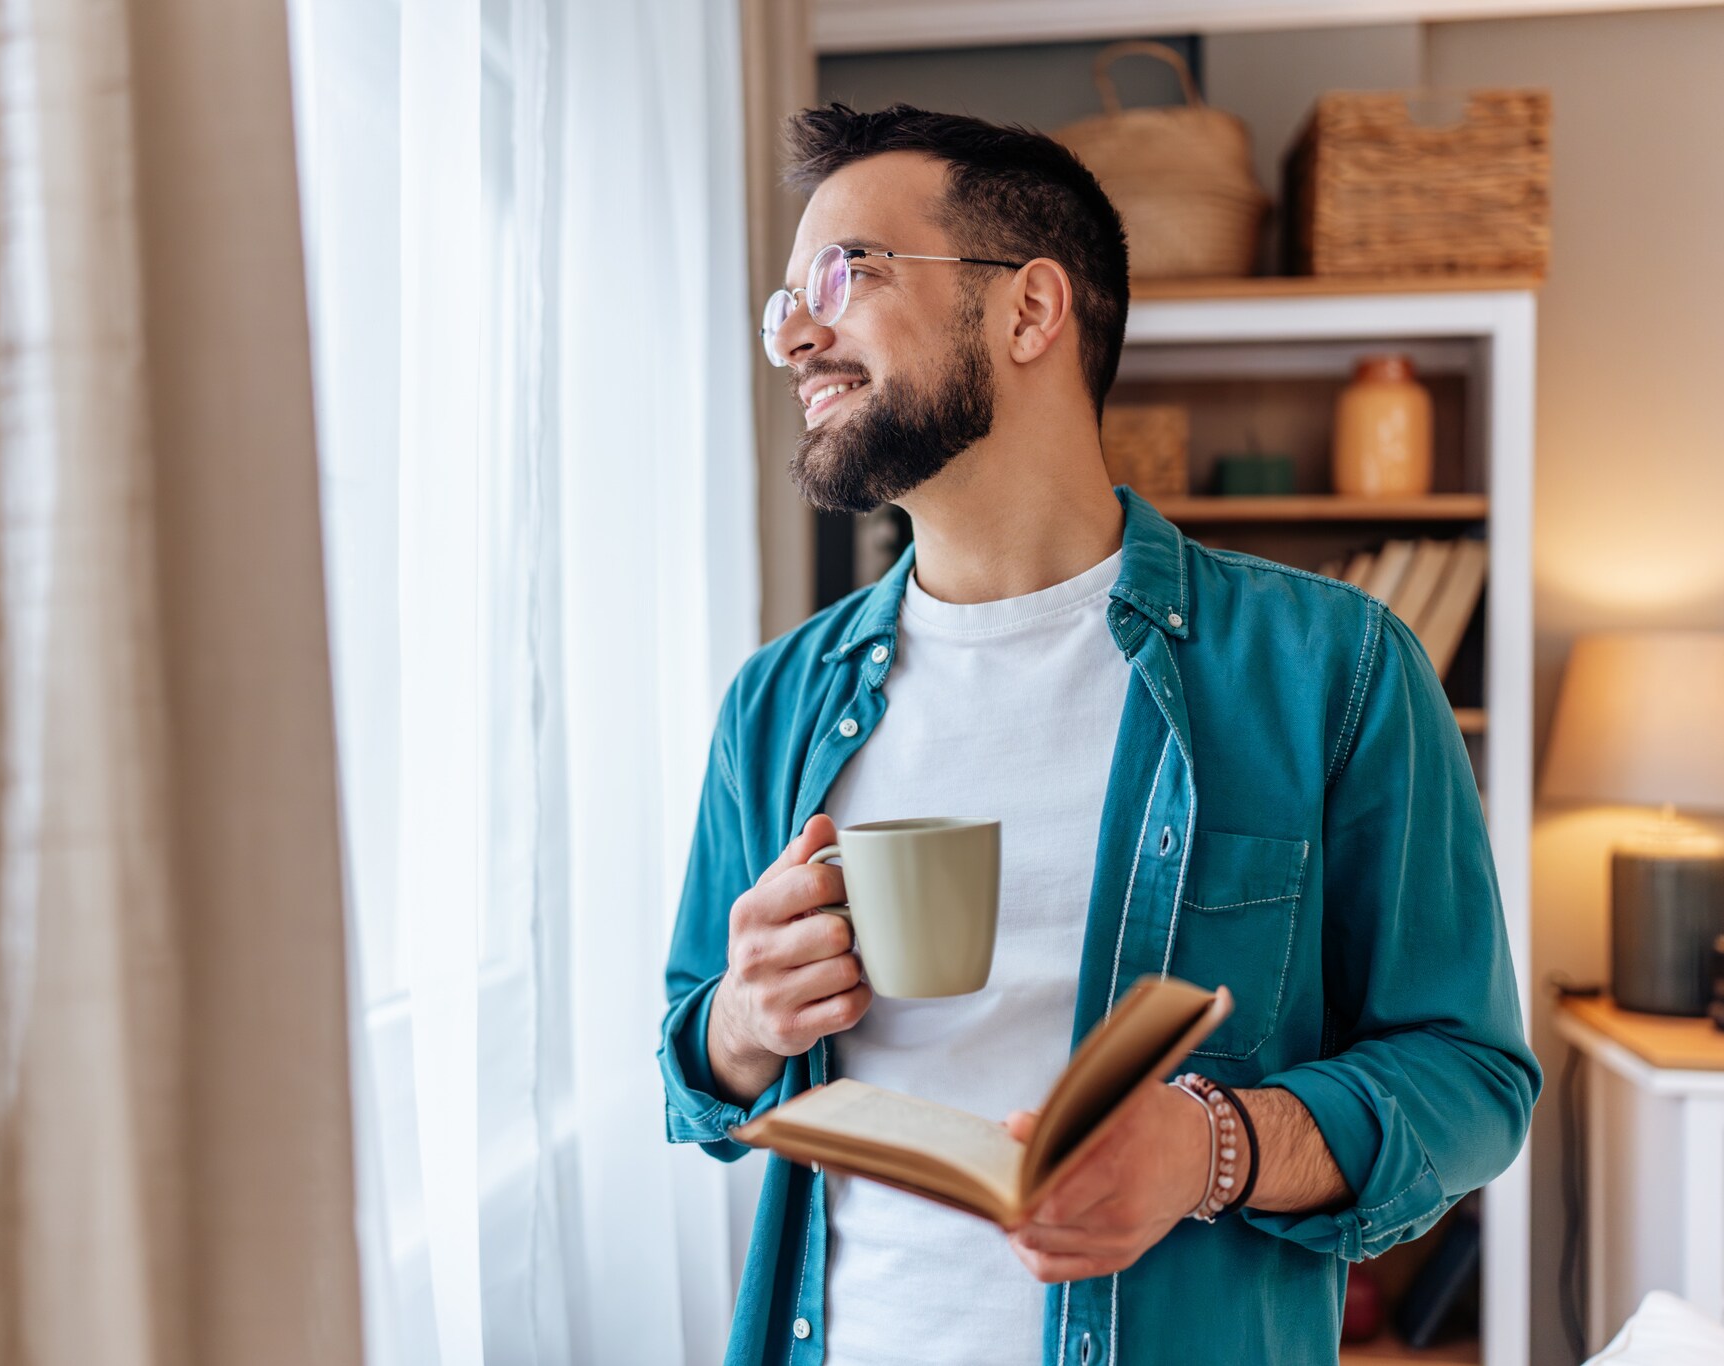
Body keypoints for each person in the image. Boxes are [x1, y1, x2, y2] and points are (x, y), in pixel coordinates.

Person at [657, 103, 1539, 1366]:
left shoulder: (1330, 671)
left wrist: (1211, 1150)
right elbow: (694, 1054)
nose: (796, 332)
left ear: (1027, 311)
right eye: (783, 301)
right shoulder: (776, 701)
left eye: (845, 275)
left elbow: (1468, 1080)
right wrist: (741, 1023)